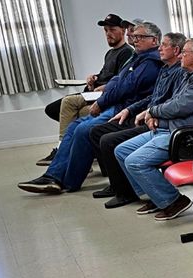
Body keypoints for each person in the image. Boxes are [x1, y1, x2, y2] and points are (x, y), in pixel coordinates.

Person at [18, 22, 163, 195]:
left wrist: (101, 102)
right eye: (135, 36)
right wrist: (105, 89)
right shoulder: (138, 58)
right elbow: (117, 80)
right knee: (74, 126)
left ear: (154, 40)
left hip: (126, 108)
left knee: (83, 129)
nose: (135, 40)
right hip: (117, 103)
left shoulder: (150, 61)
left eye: (140, 37)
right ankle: (53, 175)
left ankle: (67, 181)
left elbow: (125, 87)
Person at [112, 38, 193, 220]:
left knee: (135, 162)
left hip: (188, 137)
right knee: (121, 151)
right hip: (172, 128)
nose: (180, 56)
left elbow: (180, 107)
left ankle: (174, 201)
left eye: (184, 53)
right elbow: (173, 102)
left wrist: (153, 111)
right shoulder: (189, 74)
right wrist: (156, 116)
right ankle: (155, 195)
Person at [88, 32, 186, 208]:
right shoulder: (165, 69)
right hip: (150, 117)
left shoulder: (179, 72)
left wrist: (152, 113)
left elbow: (174, 103)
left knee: (108, 140)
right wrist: (129, 109)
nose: (160, 48)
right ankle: (144, 193)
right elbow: (152, 97)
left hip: (159, 123)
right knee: (100, 134)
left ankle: (127, 192)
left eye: (164, 45)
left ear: (176, 50)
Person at [38, 13, 134, 166]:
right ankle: (74, 151)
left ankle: (64, 150)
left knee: (69, 103)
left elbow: (121, 80)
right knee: (56, 109)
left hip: (103, 95)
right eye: (106, 30)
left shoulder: (127, 52)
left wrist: (104, 87)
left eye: (112, 30)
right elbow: (105, 74)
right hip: (93, 92)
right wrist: (94, 78)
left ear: (123, 31)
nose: (108, 34)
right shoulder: (110, 53)